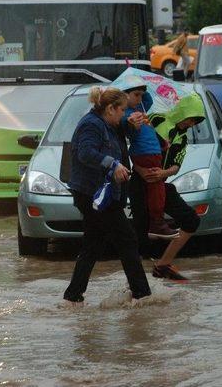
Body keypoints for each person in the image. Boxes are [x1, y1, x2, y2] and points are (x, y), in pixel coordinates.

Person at [63, 86, 152, 306]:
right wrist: (112, 164)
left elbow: (126, 134)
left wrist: (132, 125)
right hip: (93, 195)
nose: (124, 114)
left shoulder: (110, 124)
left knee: (93, 245)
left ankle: (73, 297)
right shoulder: (91, 124)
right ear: (110, 108)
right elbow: (85, 153)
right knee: (127, 238)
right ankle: (141, 295)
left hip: (103, 194)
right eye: (121, 110)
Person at [129, 92, 206, 281]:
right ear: (182, 112)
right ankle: (135, 283)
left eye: (195, 122)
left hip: (161, 186)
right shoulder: (155, 119)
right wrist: (139, 169)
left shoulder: (182, 138)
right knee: (140, 237)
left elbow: (176, 165)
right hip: (139, 184)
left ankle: (163, 265)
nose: (191, 124)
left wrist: (163, 174)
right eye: (190, 119)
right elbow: (134, 146)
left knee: (192, 220)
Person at [118, 75, 179, 239]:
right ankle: (157, 223)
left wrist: (139, 84)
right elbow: (127, 125)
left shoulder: (142, 107)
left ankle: (156, 223)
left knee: (156, 187)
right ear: (124, 96)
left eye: (141, 94)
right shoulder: (128, 114)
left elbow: (148, 98)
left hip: (152, 152)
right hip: (146, 154)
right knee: (157, 188)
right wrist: (132, 122)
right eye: (136, 94)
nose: (140, 98)